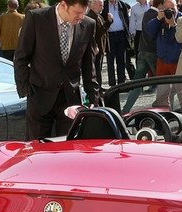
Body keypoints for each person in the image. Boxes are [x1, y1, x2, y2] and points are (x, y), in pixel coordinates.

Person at [14, 0, 99, 139]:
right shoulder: (36, 18)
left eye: (84, 13)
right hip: (39, 97)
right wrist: (25, 89)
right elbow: (21, 57)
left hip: (70, 100)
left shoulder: (88, 24)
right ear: (64, 5)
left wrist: (93, 100)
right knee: (37, 151)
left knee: (67, 151)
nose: (81, 17)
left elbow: (89, 66)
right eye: (77, 13)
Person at [146, 0, 182, 107]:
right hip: (163, 60)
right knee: (162, 95)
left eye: (172, 9)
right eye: (167, 9)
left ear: (177, 6)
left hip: (179, 61)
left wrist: (173, 25)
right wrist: (158, 18)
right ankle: (164, 113)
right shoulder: (160, 20)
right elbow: (149, 32)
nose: (170, 12)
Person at [102, 0, 131, 86]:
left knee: (121, 60)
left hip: (121, 34)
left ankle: (121, 83)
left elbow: (126, 19)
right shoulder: (105, 4)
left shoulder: (122, 4)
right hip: (109, 35)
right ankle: (112, 84)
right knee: (110, 60)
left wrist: (128, 32)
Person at [87, 0, 110, 90]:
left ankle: (99, 87)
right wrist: (108, 22)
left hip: (100, 47)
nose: (102, 7)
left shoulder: (98, 16)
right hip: (95, 48)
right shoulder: (91, 17)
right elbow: (99, 32)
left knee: (98, 69)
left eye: (103, 5)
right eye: (100, 5)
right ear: (93, 5)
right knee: (95, 70)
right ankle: (97, 88)